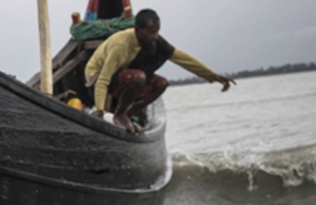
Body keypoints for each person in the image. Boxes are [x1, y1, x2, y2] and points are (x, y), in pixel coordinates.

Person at [84, 8, 235, 133]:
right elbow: (103, 79)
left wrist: (212, 76)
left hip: (118, 74)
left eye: (156, 31)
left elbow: (181, 58)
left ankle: (125, 115)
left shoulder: (152, 40)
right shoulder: (121, 44)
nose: (155, 36)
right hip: (95, 77)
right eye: (150, 32)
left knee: (162, 83)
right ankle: (120, 115)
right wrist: (100, 111)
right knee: (139, 77)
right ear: (138, 30)